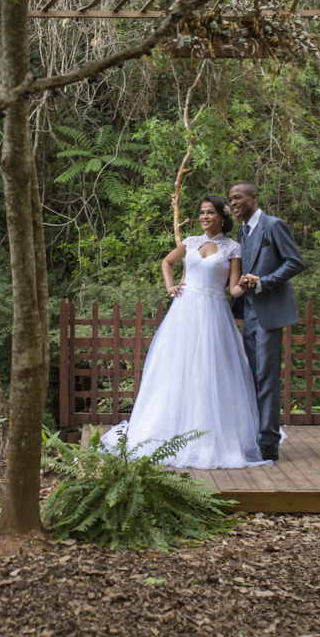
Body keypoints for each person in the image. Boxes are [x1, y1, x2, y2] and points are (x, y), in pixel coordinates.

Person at [100, 195, 269, 469]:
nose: (204, 217)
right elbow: (167, 263)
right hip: (183, 312)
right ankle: (167, 430)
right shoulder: (190, 242)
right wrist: (170, 286)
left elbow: (234, 288)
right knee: (176, 368)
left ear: (222, 217)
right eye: (202, 212)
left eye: (210, 213)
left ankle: (209, 434)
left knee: (211, 369)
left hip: (214, 314)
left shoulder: (233, 247)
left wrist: (253, 283)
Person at [228, 182, 305, 462]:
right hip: (248, 311)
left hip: (269, 310)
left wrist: (263, 282)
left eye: (238, 198)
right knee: (251, 375)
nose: (233, 203)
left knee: (266, 376)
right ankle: (255, 435)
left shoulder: (273, 225)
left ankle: (269, 442)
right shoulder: (242, 231)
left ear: (253, 198)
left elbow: (295, 262)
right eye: (230, 200)